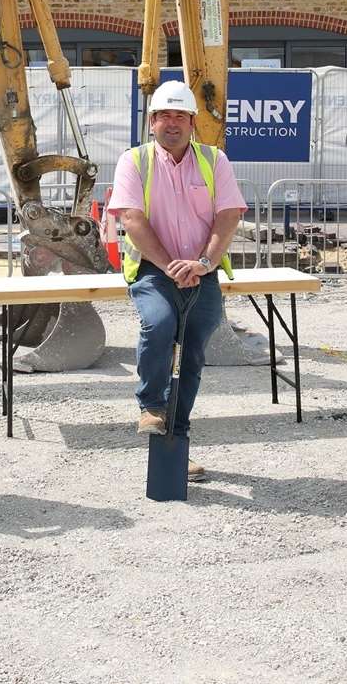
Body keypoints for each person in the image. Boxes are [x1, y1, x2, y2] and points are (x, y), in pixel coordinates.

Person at [108, 79, 247, 483]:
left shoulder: (214, 160)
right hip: (155, 269)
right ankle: (151, 404)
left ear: (191, 122)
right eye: (164, 115)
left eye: (180, 116)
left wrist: (203, 262)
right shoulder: (134, 162)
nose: (172, 123)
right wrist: (171, 265)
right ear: (151, 122)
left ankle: (177, 442)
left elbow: (227, 216)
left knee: (192, 357)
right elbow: (132, 219)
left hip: (202, 270)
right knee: (159, 324)